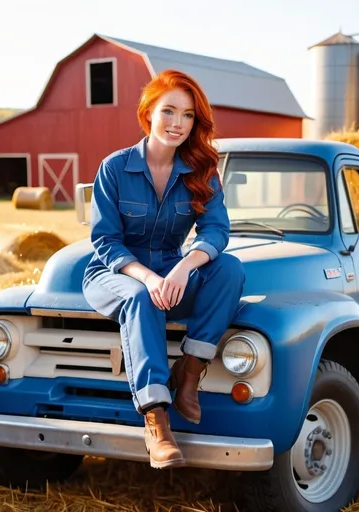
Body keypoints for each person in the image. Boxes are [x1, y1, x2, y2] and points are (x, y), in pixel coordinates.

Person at [82, 69, 245, 469]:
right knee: (141, 297)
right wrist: (149, 277)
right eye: (169, 111)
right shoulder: (114, 168)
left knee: (230, 271)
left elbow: (216, 230)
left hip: (172, 264)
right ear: (148, 113)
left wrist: (184, 267)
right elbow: (105, 240)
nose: (178, 123)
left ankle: (190, 372)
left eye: (188, 116)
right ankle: (156, 421)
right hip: (114, 273)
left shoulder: (201, 171)